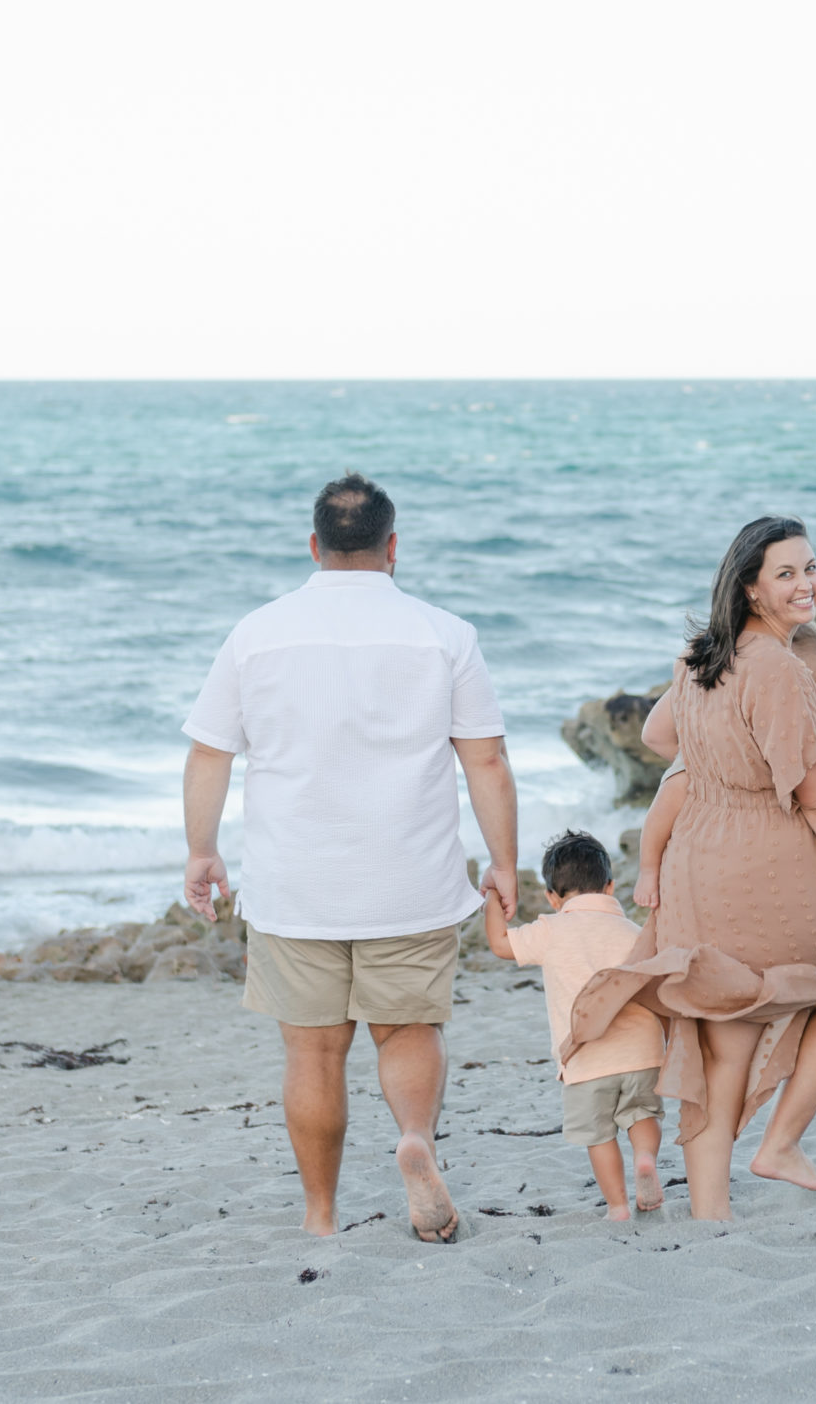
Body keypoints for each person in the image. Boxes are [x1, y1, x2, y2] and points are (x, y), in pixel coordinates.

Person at [178, 473, 519, 1242]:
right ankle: (414, 1140)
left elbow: (209, 755)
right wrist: (504, 861)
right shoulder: (444, 634)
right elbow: (487, 761)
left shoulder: (257, 632)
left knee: (313, 1049)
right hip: (413, 877)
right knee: (405, 1029)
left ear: (314, 547)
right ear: (392, 548)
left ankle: (321, 1215)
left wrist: (202, 850)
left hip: (295, 885)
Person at [572, 517, 816, 1221]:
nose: (806, 582)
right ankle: (779, 1143)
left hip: (696, 861)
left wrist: (715, 763)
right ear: (750, 587)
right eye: (786, 573)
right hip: (766, 860)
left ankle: (711, 1216)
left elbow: (659, 734)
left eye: (810, 567)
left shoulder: (701, 658)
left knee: (726, 1047)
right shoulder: (778, 667)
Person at [484, 831, 669, 1221]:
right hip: (642, 1054)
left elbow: (500, 944)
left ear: (552, 897)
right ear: (610, 886)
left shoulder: (551, 931)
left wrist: (491, 896)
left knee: (599, 1135)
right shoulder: (635, 935)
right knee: (642, 1115)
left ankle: (618, 1206)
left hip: (585, 1062)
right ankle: (646, 1159)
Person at [631, 621, 816, 917]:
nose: (801, 701)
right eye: (800, 688)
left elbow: (653, 734)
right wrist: (712, 767)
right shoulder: (695, 765)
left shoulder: (725, 683)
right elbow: (658, 812)